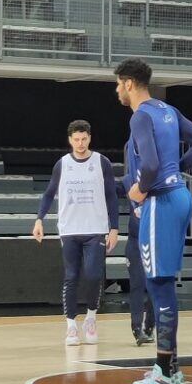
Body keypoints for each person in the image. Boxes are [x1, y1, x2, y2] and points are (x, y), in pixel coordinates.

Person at [115, 59, 192, 384]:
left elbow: (152, 165)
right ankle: (170, 369)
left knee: (157, 284)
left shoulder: (140, 115)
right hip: (180, 196)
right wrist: (176, 170)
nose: (117, 91)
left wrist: (140, 189)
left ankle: (164, 373)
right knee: (163, 282)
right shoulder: (167, 110)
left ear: (128, 83)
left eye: (117, 84)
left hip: (160, 201)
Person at [32, 120, 120, 346]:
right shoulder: (62, 164)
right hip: (70, 229)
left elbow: (111, 195)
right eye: (76, 139)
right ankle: (71, 325)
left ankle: (90, 318)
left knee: (93, 275)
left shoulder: (102, 162)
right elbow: (49, 194)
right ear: (70, 140)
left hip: (96, 229)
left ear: (89, 138)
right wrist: (39, 219)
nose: (80, 143)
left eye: (84, 139)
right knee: (71, 277)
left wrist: (114, 227)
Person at [122, 167, 155, 347]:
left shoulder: (160, 179)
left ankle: (150, 324)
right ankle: (137, 328)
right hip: (135, 240)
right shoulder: (128, 179)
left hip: (155, 239)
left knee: (155, 284)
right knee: (137, 284)